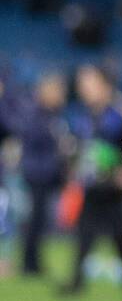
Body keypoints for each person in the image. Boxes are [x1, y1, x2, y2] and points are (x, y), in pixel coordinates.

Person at [58, 65, 122, 295]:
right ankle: (76, 282)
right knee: (84, 233)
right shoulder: (84, 116)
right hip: (91, 184)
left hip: (114, 187)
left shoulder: (121, 113)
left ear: (104, 85)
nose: (83, 88)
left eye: (88, 82)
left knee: (119, 236)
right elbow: (77, 147)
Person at [0, 72, 71, 276]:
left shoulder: (53, 115)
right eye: (57, 90)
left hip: (47, 173)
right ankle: (29, 263)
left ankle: (33, 262)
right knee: (33, 220)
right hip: (37, 172)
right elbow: (21, 134)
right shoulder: (34, 113)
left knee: (39, 221)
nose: (61, 94)